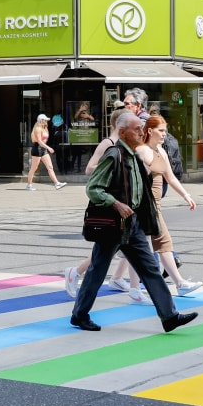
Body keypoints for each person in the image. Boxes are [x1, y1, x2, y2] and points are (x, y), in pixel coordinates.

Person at [69, 112, 198, 334]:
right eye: (137, 128)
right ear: (122, 133)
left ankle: (169, 316)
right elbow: (93, 188)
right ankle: (79, 315)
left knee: (150, 269)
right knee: (97, 271)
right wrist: (116, 203)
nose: (141, 131)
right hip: (113, 225)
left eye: (142, 128)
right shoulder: (114, 155)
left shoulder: (134, 156)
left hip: (133, 224)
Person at [132, 115, 202, 297]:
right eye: (161, 131)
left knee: (129, 248)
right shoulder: (142, 151)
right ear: (150, 131)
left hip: (155, 205)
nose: (164, 134)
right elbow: (133, 179)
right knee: (161, 242)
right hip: (143, 207)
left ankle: (134, 289)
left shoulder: (161, 151)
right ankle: (179, 283)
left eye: (165, 130)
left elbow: (170, 177)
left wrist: (186, 195)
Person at [65, 108, 129, 298]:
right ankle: (76, 273)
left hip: (122, 200)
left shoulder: (125, 143)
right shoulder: (107, 143)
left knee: (118, 246)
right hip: (109, 201)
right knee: (108, 248)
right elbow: (89, 168)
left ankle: (117, 278)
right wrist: (110, 167)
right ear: (120, 124)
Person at [26, 114, 66, 190]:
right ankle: (29, 185)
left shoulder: (44, 128)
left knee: (50, 167)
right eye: (45, 120)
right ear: (41, 121)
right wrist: (49, 148)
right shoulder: (38, 128)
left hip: (43, 149)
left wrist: (46, 148)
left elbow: (44, 141)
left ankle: (57, 183)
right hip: (37, 149)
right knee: (34, 168)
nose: (47, 121)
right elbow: (39, 141)